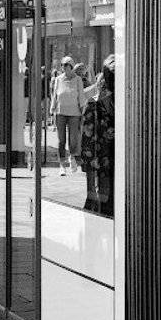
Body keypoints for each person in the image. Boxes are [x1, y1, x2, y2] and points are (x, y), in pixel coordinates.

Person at [81, 55, 115, 215]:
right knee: (105, 203)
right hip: (104, 164)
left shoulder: (127, 103)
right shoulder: (94, 105)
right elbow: (88, 145)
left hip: (116, 164)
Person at [50, 55, 85, 175]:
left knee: (73, 138)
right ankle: (61, 165)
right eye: (62, 65)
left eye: (66, 65)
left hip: (74, 113)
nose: (63, 67)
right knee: (61, 140)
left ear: (71, 66)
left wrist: (83, 111)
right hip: (60, 112)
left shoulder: (78, 80)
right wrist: (52, 110)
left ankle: (72, 158)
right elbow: (55, 95)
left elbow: (81, 96)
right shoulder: (58, 79)